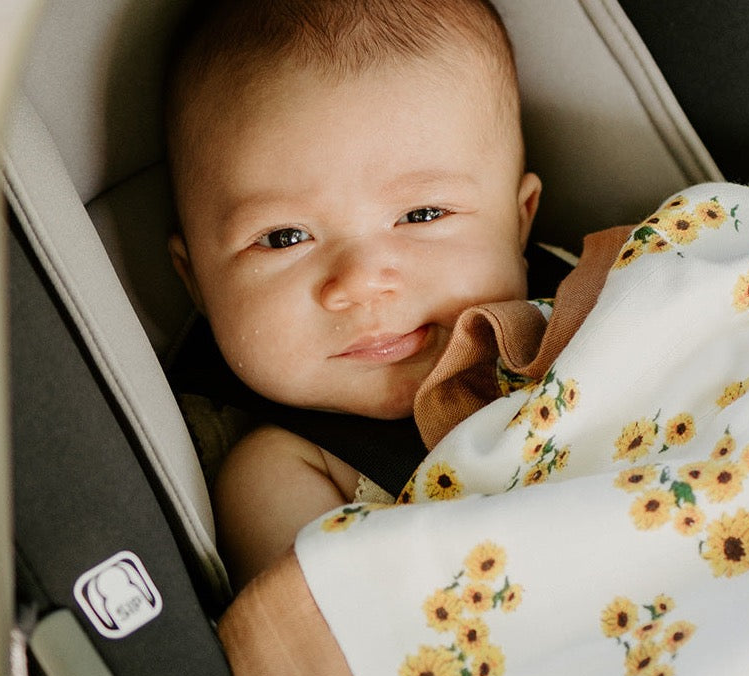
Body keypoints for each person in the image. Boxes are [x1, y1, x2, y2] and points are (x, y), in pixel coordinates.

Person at [165, 0, 542, 585]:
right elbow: (339, 653)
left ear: (520, 220)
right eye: (284, 237)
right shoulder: (285, 473)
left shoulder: (606, 298)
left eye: (421, 213)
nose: (364, 281)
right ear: (196, 283)